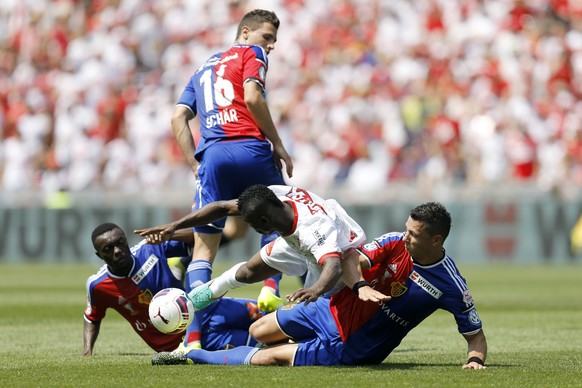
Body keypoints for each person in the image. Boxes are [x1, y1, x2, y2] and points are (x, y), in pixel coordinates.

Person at [150, 202, 488, 370]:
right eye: (407, 229)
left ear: (436, 239)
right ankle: (243, 335)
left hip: (356, 345)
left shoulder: (450, 284)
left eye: (414, 234)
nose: (406, 236)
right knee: (261, 328)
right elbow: (355, 260)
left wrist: (475, 360)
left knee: (271, 358)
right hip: (333, 308)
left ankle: (191, 354)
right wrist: (359, 286)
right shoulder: (395, 241)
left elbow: (475, 334)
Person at [170, 8, 294, 350]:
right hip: (250, 148)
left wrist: (195, 164)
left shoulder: (202, 67)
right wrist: (278, 145)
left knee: (203, 250)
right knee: (280, 220)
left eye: (273, 41)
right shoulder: (251, 54)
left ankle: (193, 339)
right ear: (245, 33)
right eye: (266, 37)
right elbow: (253, 97)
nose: (270, 46)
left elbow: (178, 117)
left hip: (212, 157)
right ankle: (270, 291)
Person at [135, 183, 367, 310]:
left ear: (264, 223)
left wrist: (315, 290)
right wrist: (175, 226)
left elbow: (334, 265)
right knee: (248, 271)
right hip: (298, 243)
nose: (248, 225)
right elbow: (222, 208)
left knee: (308, 315)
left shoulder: (312, 227)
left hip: (341, 251)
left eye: (250, 223)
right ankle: (200, 298)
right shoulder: (272, 196)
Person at [83, 223, 266, 356]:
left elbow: (199, 237)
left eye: (120, 242)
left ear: (126, 241)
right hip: (177, 342)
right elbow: (92, 317)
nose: (117, 251)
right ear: (99, 255)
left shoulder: (150, 249)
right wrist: (87, 350)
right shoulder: (98, 285)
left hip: (206, 311)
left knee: (269, 316)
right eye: (108, 249)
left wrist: (169, 235)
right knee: (265, 342)